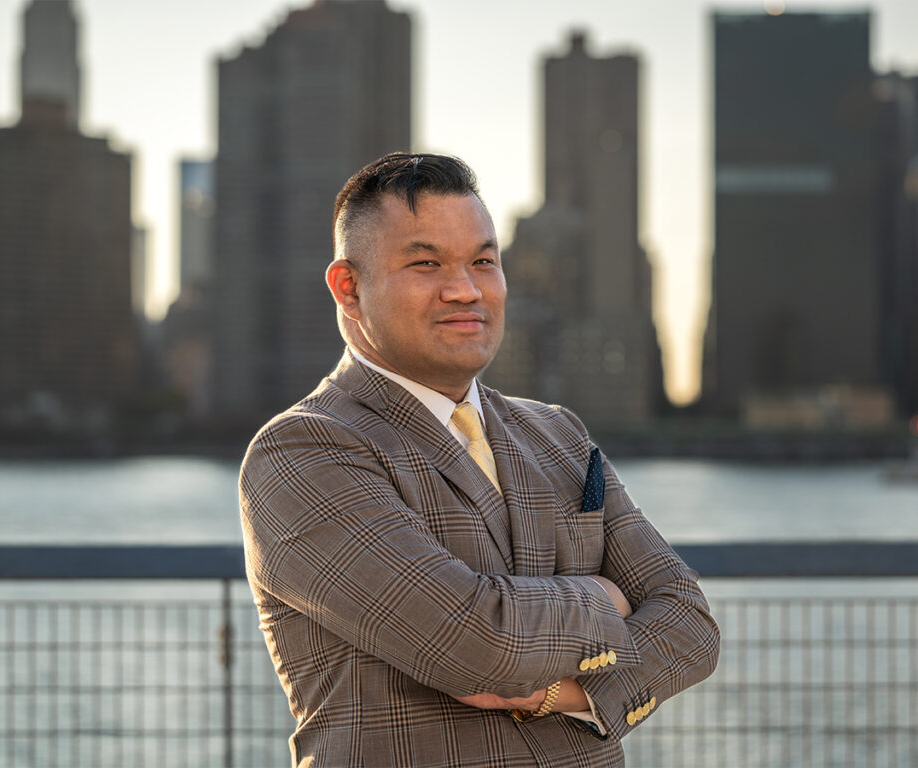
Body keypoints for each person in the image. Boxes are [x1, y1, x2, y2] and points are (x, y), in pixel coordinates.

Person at [239, 153, 720, 768]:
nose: (466, 290)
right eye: (426, 263)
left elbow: (689, 620)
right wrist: (608, 596)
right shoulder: (304, 452)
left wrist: (562, 693)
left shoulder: (558, 433)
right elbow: (476, 642)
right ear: (348, 288)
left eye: (483, 262)